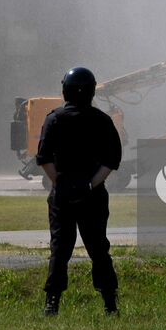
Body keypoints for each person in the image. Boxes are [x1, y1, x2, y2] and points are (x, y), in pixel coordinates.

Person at [35, 65, 122, 317]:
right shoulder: (102, 121)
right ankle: (110, 304)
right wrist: (91, 184)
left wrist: (59, 183)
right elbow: (112, 161)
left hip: (62, 196)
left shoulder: (54, 119)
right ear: (92, 91)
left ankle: (52, 303)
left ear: (65, 90)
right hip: (93, 195)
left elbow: (44, 158)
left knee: (59, 250)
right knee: (98, 249)